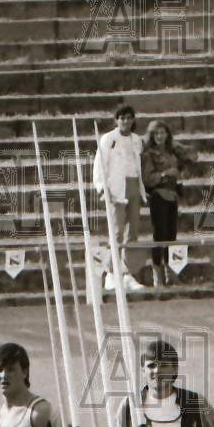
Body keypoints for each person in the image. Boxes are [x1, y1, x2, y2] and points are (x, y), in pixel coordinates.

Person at [94, 104, 146, 293]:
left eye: (129, 118)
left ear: (133, 120)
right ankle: (111, 273)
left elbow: (138, 164)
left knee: (132, 232)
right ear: (116, 120)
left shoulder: (137, 140)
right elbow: (100, 164)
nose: (125, 121)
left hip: (133, 185)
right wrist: (102, 187)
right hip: (116, 188)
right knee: (116, 232)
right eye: (122, 118)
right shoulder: (108, 139)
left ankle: (127, 274)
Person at [140, 120, 195, 292]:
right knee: (160, 235)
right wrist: (165, 174)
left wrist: (178, 148)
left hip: (172, 195)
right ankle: (158, 276)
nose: (159, 136)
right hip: (158, 195)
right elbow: (147, 178)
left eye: (162, 133)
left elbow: (193, 155)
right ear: (151, 136)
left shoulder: (171, 151)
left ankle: (172, 273)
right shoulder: (148, 154)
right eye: (156, 133)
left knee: (171, 235)